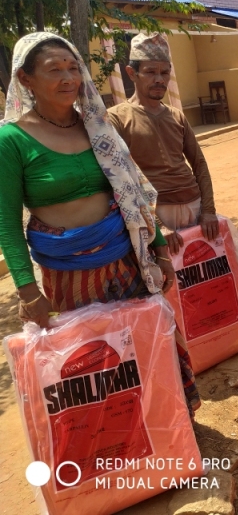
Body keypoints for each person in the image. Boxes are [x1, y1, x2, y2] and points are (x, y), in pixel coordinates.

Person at [0, 32, 200, 413]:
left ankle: (169, 426)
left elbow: (132, 192)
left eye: (73, 68)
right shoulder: (11, 140)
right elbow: (6, 222)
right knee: (94, 367)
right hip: (68, 279)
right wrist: (28, 292)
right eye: (54, 70)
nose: (68, 78)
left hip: (125, 263)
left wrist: (159, 250)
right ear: (25, 79)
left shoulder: (97, 126)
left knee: (145, 348)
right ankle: (115, 437)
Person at [107, 33, 219, 255]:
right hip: (154, 211)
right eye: (150, 72)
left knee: (202, 268)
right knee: (164, 273)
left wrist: (208, 210)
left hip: (194, 206)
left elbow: (199, 164)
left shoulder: (177, 116)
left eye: (165, 72)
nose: (159, 79)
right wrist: (157, 224)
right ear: (132, 73)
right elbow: (121, 178)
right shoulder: (116, 118)